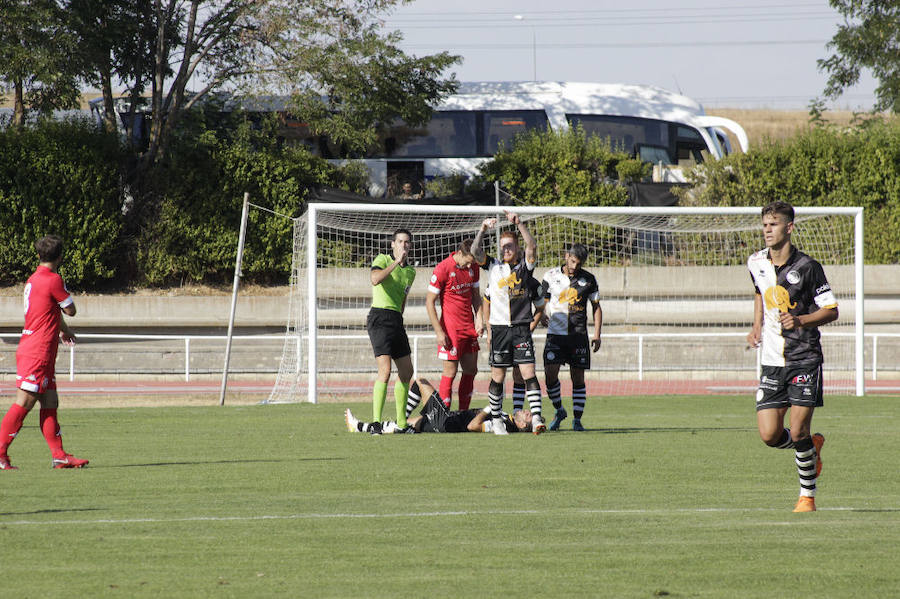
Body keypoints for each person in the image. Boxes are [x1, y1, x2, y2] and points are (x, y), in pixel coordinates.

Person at [746, 201, 837, 512]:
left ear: (789, 228)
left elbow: (831, 310)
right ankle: (811, 448)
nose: (767, 230)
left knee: (797, 430)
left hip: (804, 357)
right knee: (769, 434)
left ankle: (807, 497)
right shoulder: (755, 261)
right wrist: (756, 324)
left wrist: (801, 320)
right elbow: (760, 291)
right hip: (772, 359)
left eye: (773, 224)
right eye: (764, 225)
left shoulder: (808, 267)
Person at [0, 235, 89, 470]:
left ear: (39, 255)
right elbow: (70, 309)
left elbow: (52, 312)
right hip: (37, 351)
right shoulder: (53, 280)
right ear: (60, 256)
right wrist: (67, 309)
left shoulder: (34, 279)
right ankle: (0, 453)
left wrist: (64, 331)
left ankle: (59, 455)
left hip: (41, 350)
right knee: (25, 401)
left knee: (50, 401)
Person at [473, 211, 547, 435]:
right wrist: (483, 229)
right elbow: (475, 251)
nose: (506, 249)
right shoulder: (493, 266)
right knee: (498, 376)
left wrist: (519, 223)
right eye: (503, 246)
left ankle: (535, 419)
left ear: (516, 248)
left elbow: (532, 245)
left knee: (528, 374)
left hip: (522, 329)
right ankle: (496, 420)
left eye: (510, 246)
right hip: (499, 329)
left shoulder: (525, 268)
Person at [539, 243, 602, 431]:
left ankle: (577, 419)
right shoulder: (550, 276)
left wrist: (597, 334)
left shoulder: (589, 279)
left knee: (578, 377)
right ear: (567, 256)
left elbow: (596, 307)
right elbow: (540, 302)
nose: (575, 266)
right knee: (550, 375)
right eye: (573, 261)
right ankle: (559, 410)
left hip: (578, 335)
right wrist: (541, 314)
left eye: (579, 263)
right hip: (555, 335)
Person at [425, 232, 489, 411]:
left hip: (469, 327)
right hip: (451, 329)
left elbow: (476, 296)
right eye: (468, 261)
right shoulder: (443, 268)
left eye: (473, 263)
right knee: (450, 372)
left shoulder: (473, 267)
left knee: (471, 370)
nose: (470, 266)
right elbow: (429, 302)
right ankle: (443, 414)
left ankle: (463, 413)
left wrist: (479, 319)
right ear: (459, 253)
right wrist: (439, 331)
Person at [346, 377, 534, 434]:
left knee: (420, 382)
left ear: (523, 425)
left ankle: (402, 419)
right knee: (411, 423)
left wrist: (487, 410)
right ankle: (360, 427)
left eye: (528, 416)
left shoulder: (506, 425)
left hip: (447, 422)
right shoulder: (507, 417)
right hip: (446, 421)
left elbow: (472, 426)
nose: (526, 411)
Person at [367, 228, 416, 432]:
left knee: (407, 371)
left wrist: (399, 317)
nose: (403, 245)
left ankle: (401, 423)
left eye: (407, 242)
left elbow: (403, 299)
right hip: (379, 317)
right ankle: (376, 423)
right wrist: (396, 262)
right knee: (385, 371)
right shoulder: (383, 259)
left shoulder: (411, 272)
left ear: (410, 246)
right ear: (392, 245)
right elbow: (375, 279)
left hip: (396, 318)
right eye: (400, 241)